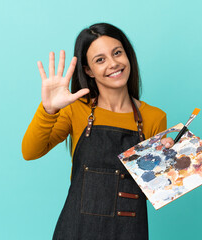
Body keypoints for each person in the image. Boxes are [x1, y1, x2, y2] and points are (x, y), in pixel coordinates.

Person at [22, 23, 174, 240]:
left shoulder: (154, 117)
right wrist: (49, 109)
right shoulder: (75, 109)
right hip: (76, 232)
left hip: (129, 233)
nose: (113, 64)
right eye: (100, 59)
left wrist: (169, 163)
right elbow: (30, 152)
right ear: (88, 70)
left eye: (117, 53)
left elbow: (153, 192)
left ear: (128, 56)